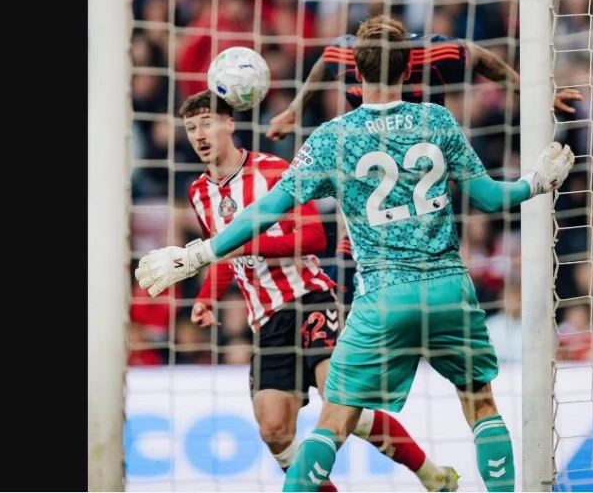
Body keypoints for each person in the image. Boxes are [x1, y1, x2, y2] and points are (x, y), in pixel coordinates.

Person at [136, 25, 575, 492]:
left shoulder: (332, 138)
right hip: (449, 288)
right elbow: (489, 198)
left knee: (334, 421)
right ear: (409, 69)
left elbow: (265, 211)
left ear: (354, 76)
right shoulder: (437, 120)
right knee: (481, 405)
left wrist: (201, 252)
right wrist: (537, 182)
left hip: (383, 297)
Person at [166, 89, 461, 492]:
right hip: (266, 319)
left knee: (339, 402)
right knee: (273, 429)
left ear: (229, 124)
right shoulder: (198, 193)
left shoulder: (274, 171)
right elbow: (222, 252)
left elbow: (314, 237)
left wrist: (246, 243)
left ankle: (431, 474)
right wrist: (207, 297)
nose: (199, 134)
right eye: (191, 127)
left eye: (207, 123)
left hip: (310, 299)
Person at [266, 14, 582, 310]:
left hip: (428, 164)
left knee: (425, 243)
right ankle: (370, 323)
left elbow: (484, 59)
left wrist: (533, 93)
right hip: (375, 160)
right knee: (355, 252)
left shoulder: (435, 52)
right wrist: (294, 110)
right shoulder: (347, 53)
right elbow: (325, 63)